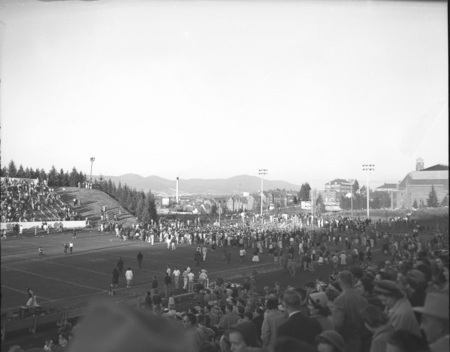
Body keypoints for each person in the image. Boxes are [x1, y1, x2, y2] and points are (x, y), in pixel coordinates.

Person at [332, 270, 368, 352]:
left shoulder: (339, 300)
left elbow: (337, 324)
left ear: (340, 282)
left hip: (346, 343)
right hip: (361, 341)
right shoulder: (362, 298)